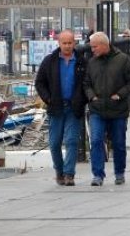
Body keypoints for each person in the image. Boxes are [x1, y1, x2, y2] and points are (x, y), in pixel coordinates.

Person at [83, 32, 130, 186]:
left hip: (117, 109)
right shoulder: (92, 62)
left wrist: (120, 95)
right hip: (97, 109)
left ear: (103, 45)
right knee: (96, 140)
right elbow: (86, 83)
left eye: (94, 47)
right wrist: (91, 96)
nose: (92, 50)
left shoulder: (123, 60)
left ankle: (119, 172)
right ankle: (98, 174)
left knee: (119, 143)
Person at [35, 30, 87, 186]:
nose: (67, 46)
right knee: (55, 142)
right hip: (56, 106)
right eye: (64, 43)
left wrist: (82, 99)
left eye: (70, 43)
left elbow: (88, 83)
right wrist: (48, 98)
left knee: (71, 141)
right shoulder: (50, 61)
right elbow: (40, 82)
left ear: (74, 43)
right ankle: (59, 170)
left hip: (74, 107)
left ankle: (69, 174)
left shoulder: (81, 62)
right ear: (59, 43)